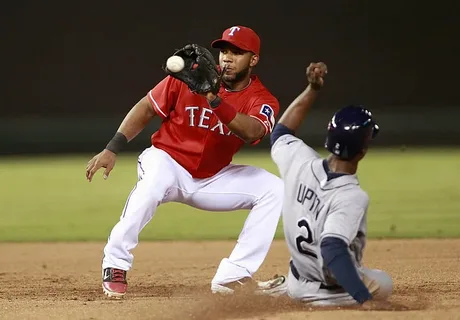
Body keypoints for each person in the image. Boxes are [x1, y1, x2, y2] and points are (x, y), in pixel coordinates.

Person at [85, 25, 285, 299]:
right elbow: (145, 108)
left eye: (237, 52)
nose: (227, 57)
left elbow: (252, 131)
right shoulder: (189, 77)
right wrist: (112, 148)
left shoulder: (262, 99)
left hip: (213, 177)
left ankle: (234, 275)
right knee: (152, 184)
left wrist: (214, 100)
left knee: (274, 188)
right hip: (167, 161)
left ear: (253, 60)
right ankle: (115, 263)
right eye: (224, 50)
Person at [267, 62, 393, 306]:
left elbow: (280, 132)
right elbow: (332, 248)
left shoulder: (299, 160)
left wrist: (312, 89)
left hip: (297, 277)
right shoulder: (351, 196)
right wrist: (364, 300)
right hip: (326, 294)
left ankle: (285, 287)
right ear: (363, 151)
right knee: (384, 283)